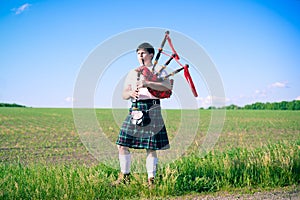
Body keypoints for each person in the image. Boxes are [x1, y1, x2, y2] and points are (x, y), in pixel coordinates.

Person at [113, 42, 172, 187]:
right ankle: (124, 177)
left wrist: (148, 83)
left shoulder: (160, 70)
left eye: (143, 53)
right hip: (135, 108)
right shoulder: (133, 72)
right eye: (138, 53)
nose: (140, 55)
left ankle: (151, 180)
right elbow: (124, 94)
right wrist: (130, 93)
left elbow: (168, 87)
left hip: (152, 108)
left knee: (150, 147)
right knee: (122, 144)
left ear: (151, 55)